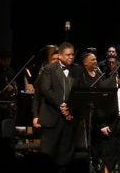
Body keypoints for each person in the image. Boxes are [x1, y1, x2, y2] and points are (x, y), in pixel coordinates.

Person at [38, 41, 77, 170]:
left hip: (69, 119)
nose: (71, 57)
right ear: (60, 56)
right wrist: (61, 105)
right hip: (52, 118)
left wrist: (70, 109)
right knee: (47, 156)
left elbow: (79, 92)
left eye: (72, 54)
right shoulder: (49, 69)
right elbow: (46, 90)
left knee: (65, 156)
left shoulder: (78, 70)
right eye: (68, 55)